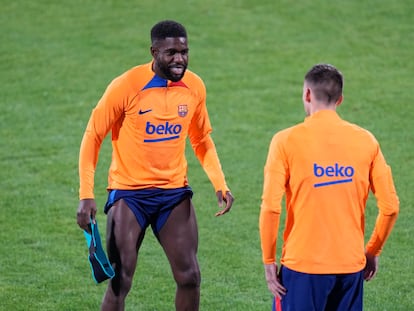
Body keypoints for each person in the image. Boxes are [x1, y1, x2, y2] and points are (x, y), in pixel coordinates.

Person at [76, 20, 234, 311]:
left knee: (190, 277)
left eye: (184, 52)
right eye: (171, 52)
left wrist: (220, 183)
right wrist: (86, 194)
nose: (179, 59)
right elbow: (92, 136)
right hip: (129, 194)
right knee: (119, 280)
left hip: (173, 194)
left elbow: (201, 140)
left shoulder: (194, 87)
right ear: (154, 51)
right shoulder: (127, 86)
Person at [259, 63, 399, 311]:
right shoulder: (366, 141)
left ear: (307, 94)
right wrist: (373, 250)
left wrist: (269, 260)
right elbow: (390, 207)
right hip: (350, 268)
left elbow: (271, 207)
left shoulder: (284, 141)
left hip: (303, 267)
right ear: (340, 99)